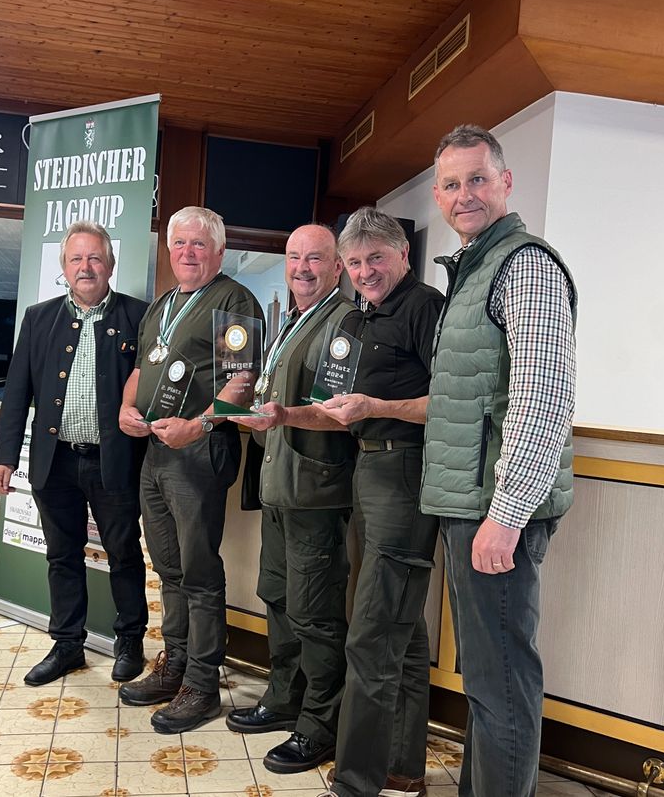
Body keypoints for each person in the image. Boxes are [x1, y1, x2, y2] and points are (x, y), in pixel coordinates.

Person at [422, 124, 577, 797]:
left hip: (496, 512)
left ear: (506, 182)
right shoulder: (475, 266)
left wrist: (507, 516)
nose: (466, 194)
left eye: (478, 179)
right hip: (469, 505)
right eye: (452, 184)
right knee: (486, 684)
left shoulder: (527, 265)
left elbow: (542, 400)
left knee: (503, 686)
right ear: (437, 194)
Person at [117, 205, 263, 734]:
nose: (187, 252)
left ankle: (202, 683)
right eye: (179, 244)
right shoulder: (161, 305)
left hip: (200, 452)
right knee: (169, 567)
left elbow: (240, 382)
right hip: (156, 453)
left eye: (199, 244)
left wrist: (196, 427)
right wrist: (125, 408)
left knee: (199, 572)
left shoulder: (234, 301)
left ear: (219, 251)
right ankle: (174, 664)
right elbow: (139, 369)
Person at [317, 207, 443, 797]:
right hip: (369, 467)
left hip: (405, 471)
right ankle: (401, 769)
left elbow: (449, 402)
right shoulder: (361, 316)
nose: (365, 271)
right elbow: (339, 403)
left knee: (370, 633)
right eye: (356, 262)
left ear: (404, 256)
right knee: (402, 630)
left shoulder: (424, 307)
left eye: (376, 259)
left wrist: (378, 409)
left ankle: (355, 783)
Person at [0, 220, 148, 686]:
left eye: (95, 257)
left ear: (110, 265)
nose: (86, 266)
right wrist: (3, 455)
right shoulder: (40, 318)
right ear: (63, 268)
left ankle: (130, 641)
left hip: (112, 461)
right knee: (62, 554)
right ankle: (67, 645)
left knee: (123, 553)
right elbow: (17, 390)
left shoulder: (139, 317)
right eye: (76, 259)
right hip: (54, 460)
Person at [225, 224, 357, 773]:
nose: (302, 267)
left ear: (337, 267)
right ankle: (284, 699)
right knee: (277, 596)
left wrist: (278, 415)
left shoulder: (343, 322)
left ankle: (319, 725)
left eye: (315, 258)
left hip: (314, 494)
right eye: (294, 257)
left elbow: (337, 408)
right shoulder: (293, 321)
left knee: (315, 612)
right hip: (279, 486)